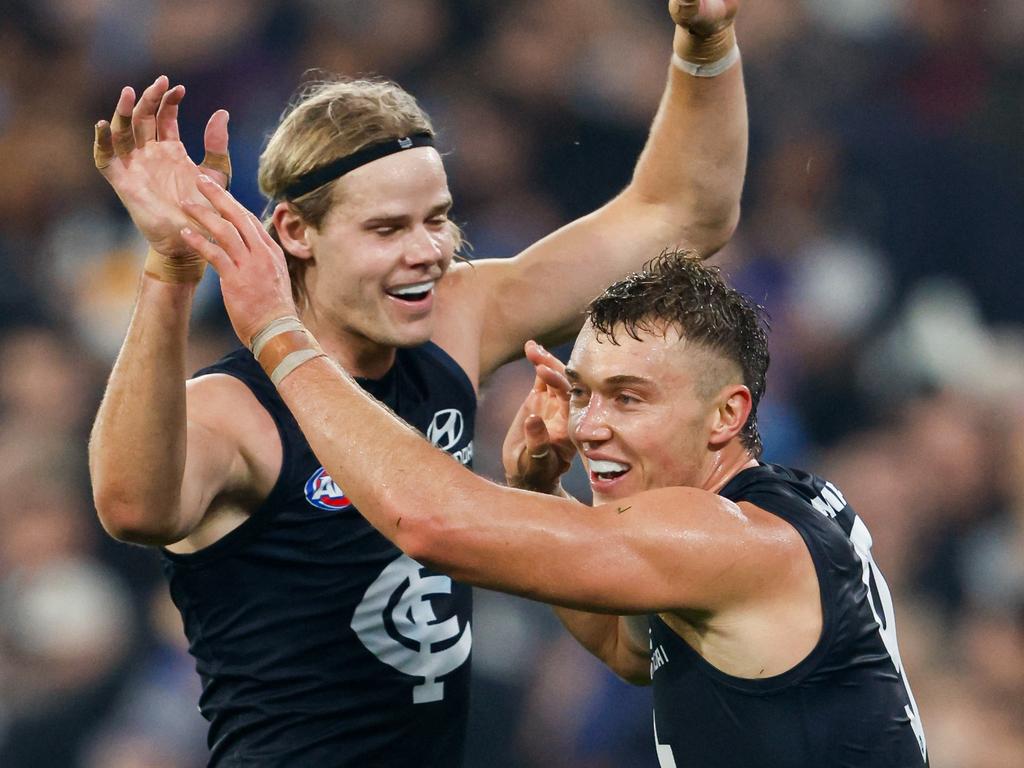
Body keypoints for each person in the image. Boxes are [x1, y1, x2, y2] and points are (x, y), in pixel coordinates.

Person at [88, 2, 747, 765]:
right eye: (386, 229)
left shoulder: (454, 322)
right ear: (295, 232)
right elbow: (133, 507)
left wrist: (705, 40)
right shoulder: (235, 409)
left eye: (437, 218)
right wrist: (171, 267)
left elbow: (685, 215)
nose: (427, 251)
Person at [176, 168, 929, 765]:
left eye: (629, 399)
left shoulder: (725, 537)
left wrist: (279, 335)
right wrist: (540, 487)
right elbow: (626, 649)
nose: (589, 426)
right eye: (582, 393)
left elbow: (435, 526)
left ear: (728, 414)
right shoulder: (787, 506)